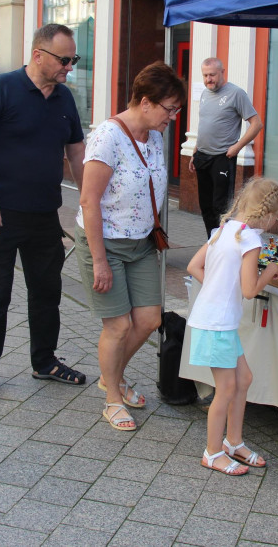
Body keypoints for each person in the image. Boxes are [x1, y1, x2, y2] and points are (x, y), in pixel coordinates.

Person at [0, 23, 87, 400]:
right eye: (64, 59)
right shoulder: (3, 88)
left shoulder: (65, 98)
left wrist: (89, 201)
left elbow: (77, 154)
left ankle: (45, 361)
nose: (70, 66)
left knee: (47, 292)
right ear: (38, 56)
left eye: (74, 59)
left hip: (44, 216)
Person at [76, 61, 187, 431]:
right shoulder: (107, 137)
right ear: (144, 102)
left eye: (176, 110)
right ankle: (111, 399)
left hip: (141, 242)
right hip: (105, 243)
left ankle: (114, 376)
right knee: (119, 326)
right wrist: (99, 261)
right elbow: (89, 200)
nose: (172, 117)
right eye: (168, 109)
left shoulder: (154, 136)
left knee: (149, 320)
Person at [185, 177, 278, 474]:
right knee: (227, 387)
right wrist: (269, 272)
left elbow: (194, 266)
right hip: (217, 323)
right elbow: (249, 290)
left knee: (243, 380)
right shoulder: (251, 240)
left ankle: (233, 441)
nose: (276, 222)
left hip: (214, 320)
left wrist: (218, 288)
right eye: (277, 217)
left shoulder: (224, 229)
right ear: (267, 215)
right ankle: (213, 452)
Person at [189, 57, 263, 237]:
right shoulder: (205, 94)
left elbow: (256, 124)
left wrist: (237, 147)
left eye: (212, 75)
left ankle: (224, 244)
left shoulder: (236, 94)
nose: (208, 79)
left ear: (222, 72)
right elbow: (205, 124)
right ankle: (211, 243)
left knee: (221, 207)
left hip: (223, 157)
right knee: (205, 206)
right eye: (205, 75)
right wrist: (195, 151)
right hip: (202, 156)